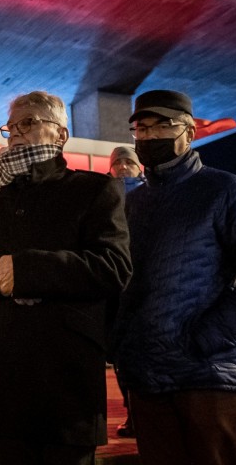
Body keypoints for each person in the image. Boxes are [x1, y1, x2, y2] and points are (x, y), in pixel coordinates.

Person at [0, 91, 132, 465]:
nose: (16, 132)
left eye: (29, 122)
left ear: (61, 134)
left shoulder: (93, 189)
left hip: (64, 369)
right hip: (3, 363)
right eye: (11, 126)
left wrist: (26, 270)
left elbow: (113, 266)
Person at [112, 90, 236, 465]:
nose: (149, 137)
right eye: (141, 128)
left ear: (190, 131)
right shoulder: (132, 203)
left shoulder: (227, 191)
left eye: (161, 126)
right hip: (146, 374)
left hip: (208, 375)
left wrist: (209, 334)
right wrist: (119, 341)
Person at [106, 145, 143, 438]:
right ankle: (133, 413)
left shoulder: (152, 193)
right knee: (122, 354)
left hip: (145, 285)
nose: (123, 167)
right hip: (117, 288)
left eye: (128, 162)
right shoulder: (104, 195)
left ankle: (143, 412)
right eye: (117, 163)